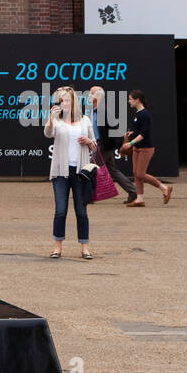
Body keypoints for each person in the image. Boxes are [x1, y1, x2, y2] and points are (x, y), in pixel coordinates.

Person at [43, 85, 97, 259]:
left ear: (73, 102)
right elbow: (47, 133)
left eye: (66, 100)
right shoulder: (56, 120)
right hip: (60, 171)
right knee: (60, 210)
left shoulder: (85, 120)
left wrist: (89, 141)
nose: (64, 103)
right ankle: (57, 247)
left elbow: (94, 147)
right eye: (60, 100)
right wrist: (51, 117)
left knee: (81, 211)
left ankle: (85, 247)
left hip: (81, 171)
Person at [122, 90, 173, 207]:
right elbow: (139, 131)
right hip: (137, 147)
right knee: (135, 173)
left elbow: (144, 133)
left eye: (130, 99)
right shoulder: (138, 113)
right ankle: (140, 199)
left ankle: (165, 188)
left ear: (138, 99)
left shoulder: (145, 114)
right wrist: (131, 134)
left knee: (140, 173)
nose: (128, 101)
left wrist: (131, 143)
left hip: (146, 148)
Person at [88, 85, 136, 203]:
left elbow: (113, 130)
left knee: (90, 168)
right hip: (100, 144)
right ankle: (133, 191)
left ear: (98, 96)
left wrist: (107, 145)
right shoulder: (95, 111)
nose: (89, 95)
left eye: (91, 93)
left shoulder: (103, 111)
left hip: (104, 146)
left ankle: (88, 195)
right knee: (112, 170)